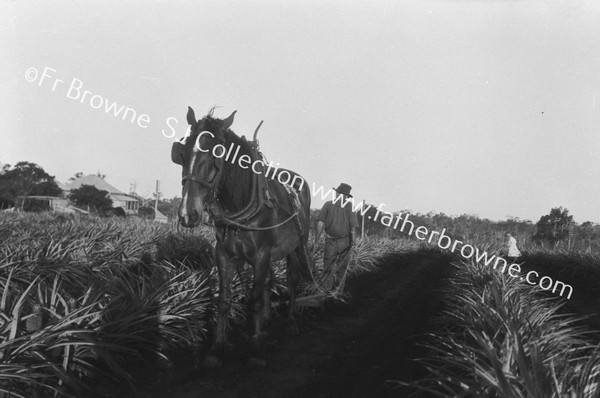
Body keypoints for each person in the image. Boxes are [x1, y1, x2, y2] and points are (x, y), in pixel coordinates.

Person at [315, 183, 358, 295]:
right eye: (338, 193)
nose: (338, 195)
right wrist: (317, 240)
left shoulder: (349, 206)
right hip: (332, 241)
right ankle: (328, 291)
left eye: (341, 194)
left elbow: (353, 227)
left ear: (345, 196)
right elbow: (320, 223)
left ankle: (336, 292)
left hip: (344, 241)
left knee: (340, 267)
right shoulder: (328, 205)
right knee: (329, 266)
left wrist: (353, 243)